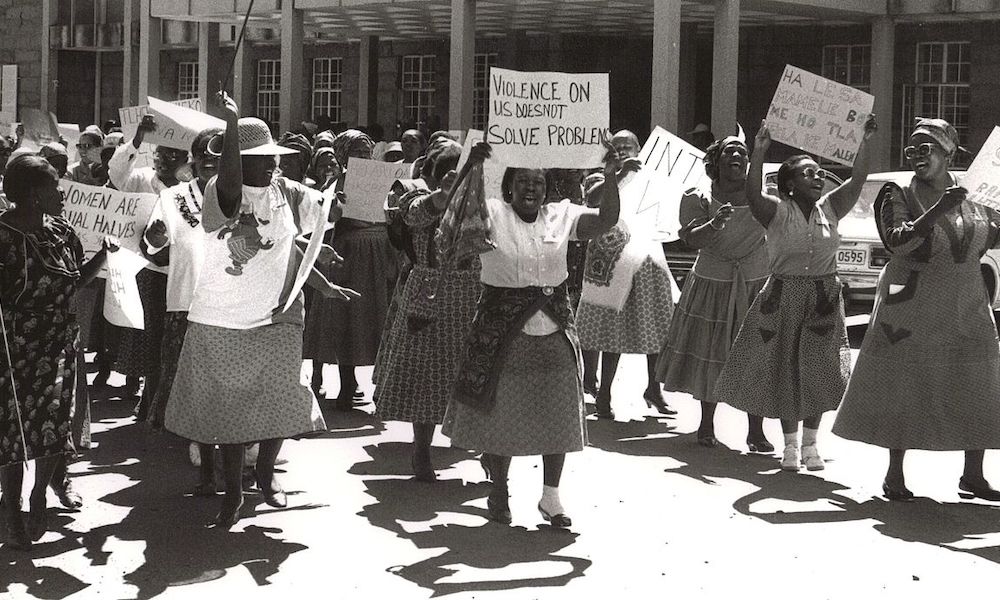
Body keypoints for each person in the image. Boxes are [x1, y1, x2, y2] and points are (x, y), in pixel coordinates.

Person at [165, 93, 357, 528]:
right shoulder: (219, 191)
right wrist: (231, 123)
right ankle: (233, 491)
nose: (271, 166)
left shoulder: (285, 191)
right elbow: (231, 181)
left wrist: (335, 191)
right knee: (233, 416)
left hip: (278, 315)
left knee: (282, 397)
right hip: (224, 319)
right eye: (260, 159)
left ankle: (266, 473)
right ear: (237, 160)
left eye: (273, 159)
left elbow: (313, 226)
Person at [443, 142, 638, 527]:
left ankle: (551, 497)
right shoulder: (491, 214)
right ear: (509, 187)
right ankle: (499, 489)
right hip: (502, 327)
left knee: (559, 412)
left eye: (538, 182)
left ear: (547, 190)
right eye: (523, 182)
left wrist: (612, 175)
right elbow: (454, 218)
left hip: (554, 325)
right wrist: (474, 165)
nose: (531, 188)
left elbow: (605, 220)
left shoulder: (561, 215)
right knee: (500, 412)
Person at [833, 118, 1000, 501]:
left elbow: (992, 233)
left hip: (967, 301)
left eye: (926, 148)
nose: (916, 156)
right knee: (905, 384)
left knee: (977, 383)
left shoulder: (975, 196)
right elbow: (896, 242)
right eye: (912, 149)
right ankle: (895, 475)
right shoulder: (897, 193)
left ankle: (973, 475)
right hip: (912, 302)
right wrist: (937, 209)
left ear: (949, 153)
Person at [713, 115, 877, 471]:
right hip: (783, 296)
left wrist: (864, 141)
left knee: (817, 368)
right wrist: (759, 151)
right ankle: (789, 446)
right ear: (789, 184)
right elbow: (752, 193)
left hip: (822, 297)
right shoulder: (775, 210)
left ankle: (811, 445)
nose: (817, 177)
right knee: (786, 368)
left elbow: (859, 178)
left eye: (819, 173)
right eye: (808, 173)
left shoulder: (832, 208)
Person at [0, 155, 112, 550]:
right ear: (32, 195)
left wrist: (103, 257)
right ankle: (11, 508)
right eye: (53, 186)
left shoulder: (63, 232)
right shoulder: (3, 235)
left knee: (53, 424)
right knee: (12, 432)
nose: (62, 192)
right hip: (12, 347)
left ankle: (38, 497)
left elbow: (75, 280)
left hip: (59, 342)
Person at [655, 136, 772, 450]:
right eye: (729, 151)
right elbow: (691, 239)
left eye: (742, 152)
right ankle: (706, 425)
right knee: (710, 354)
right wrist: (714, 226)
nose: (736, 154)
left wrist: (761, 150)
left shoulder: (762, 196)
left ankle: (756, 431)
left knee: (755, 355)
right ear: (715, 162)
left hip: (754, 284)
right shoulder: (699, 196)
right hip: (711, 284)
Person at [374, 139, 476, 482]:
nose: (454, 179)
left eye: (460, 173)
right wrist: (444, 194)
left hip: (470, 294)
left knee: (472, 376)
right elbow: (417, 214)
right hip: (428, 293)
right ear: (431, 177)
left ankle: (480, 446)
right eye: (446, 173)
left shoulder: (480, 205)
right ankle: (422, 450)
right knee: (426, 376)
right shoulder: (414, 198)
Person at [576, 130, 677, 419]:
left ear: (639, 148)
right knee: (612, 328)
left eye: (627, 147)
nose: (622, 151)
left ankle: (654, 388)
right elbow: (593, 201)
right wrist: (618, 175)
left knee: (657, 324)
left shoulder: (654, 177)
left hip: (647, 260)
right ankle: (604, 392)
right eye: (617, 147)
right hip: (613, 263)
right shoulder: (605, 174)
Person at [307, 130, 398, 409]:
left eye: (366, 152)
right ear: (344, 154)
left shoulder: (385, 179)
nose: (362, 157)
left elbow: (393, 213)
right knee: (346, 318)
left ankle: (381, 386)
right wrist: (334, 205)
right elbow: (323, 218)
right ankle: (347, 386)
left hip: (379, 252)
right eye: (356, 152)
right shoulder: (334, 183)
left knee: (379, 318)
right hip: (349, 256)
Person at [109, 115, 190, 416]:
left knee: (176, 341)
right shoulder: (141, 179)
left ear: (186, 159)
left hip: (182, 274)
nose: (165, 159)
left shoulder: (192, 187)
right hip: (150, 271)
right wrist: (138, 138)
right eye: (160, 153)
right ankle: (150, 397)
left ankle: (168, 402)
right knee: (151, 336)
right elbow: (116, 173)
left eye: (174, 154)